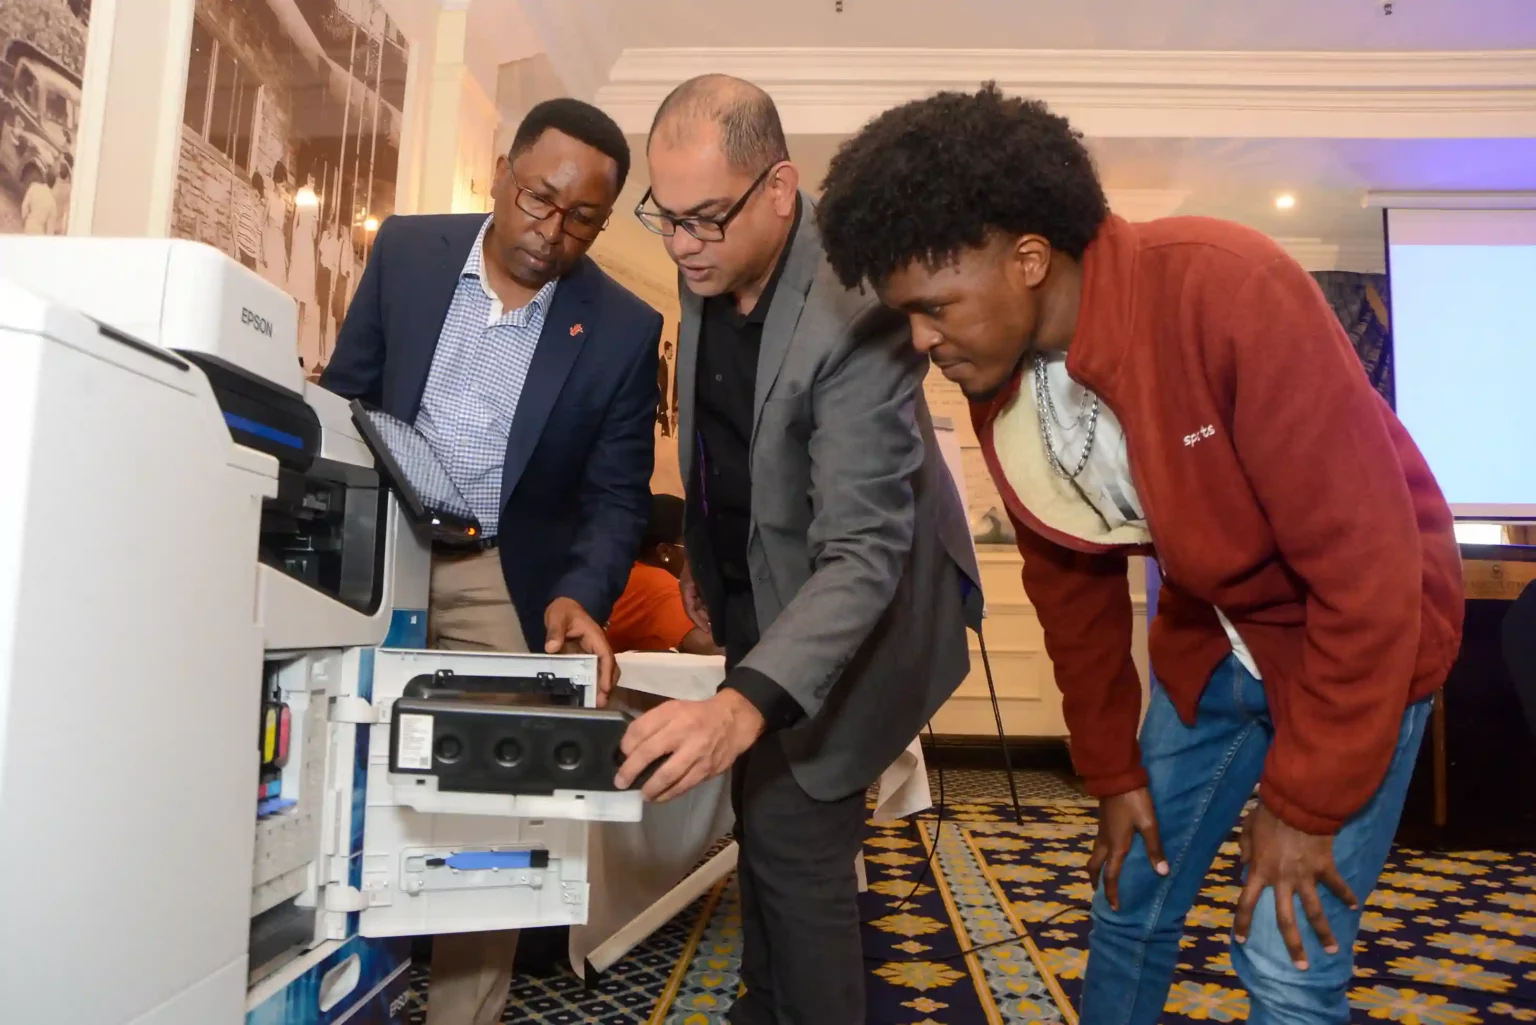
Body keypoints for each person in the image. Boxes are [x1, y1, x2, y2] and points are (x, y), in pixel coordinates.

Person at [814, 83, 1465, 1025]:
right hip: (1214, 645)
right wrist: (1112, 771)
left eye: (934, 306)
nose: (920, 340)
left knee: (1284, 950)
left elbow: (1368, 574)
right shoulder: (994, 376)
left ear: (1028, 259)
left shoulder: (1227, 286)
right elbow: (1067, 589)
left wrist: (1307, 804)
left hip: (1365, 645)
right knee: (1127, 894)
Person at [615, 75, 980, 1025]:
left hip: (873, 605)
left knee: (794, 827)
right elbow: (724, 440)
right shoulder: (712, 259)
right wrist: (706, 559)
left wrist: (743, 703)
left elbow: (863, 552)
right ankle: (762, 1003)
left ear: (780, 188)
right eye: (666, 217)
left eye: (705, 219)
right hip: (766, 589)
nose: (682, 245)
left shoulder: (860, 307)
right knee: (764, 811)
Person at [320, 97, 663, 1025]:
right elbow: (346, 400)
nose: (550, 233)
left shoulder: (626, 331)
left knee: (490, 813)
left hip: (502, 570)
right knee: (331, 774)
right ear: (504, 171)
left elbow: (615, 496)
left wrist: (581, 595)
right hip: (380, 546)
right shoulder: (406, 251)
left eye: (581, 219)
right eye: (536, 199)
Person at [607, 494, 721, 655]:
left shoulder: (622, 574)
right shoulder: (653, 583)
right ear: (665, 552)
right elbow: (706, 644)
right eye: (692, 544)